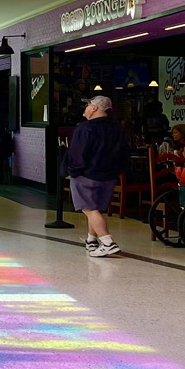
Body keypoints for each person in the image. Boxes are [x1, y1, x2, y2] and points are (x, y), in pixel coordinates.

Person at [68, 95, 130, 258]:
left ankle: (107, 241)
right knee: (95, 208)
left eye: (87, 105)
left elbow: (77, 154)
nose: (86, 108)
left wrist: (73, 171)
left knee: (88, 208)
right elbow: (125, 152)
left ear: (94, 108)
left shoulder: (85, 128)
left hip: (86, 174)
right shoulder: (117, 128)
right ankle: (91, 240)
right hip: (109, 176)